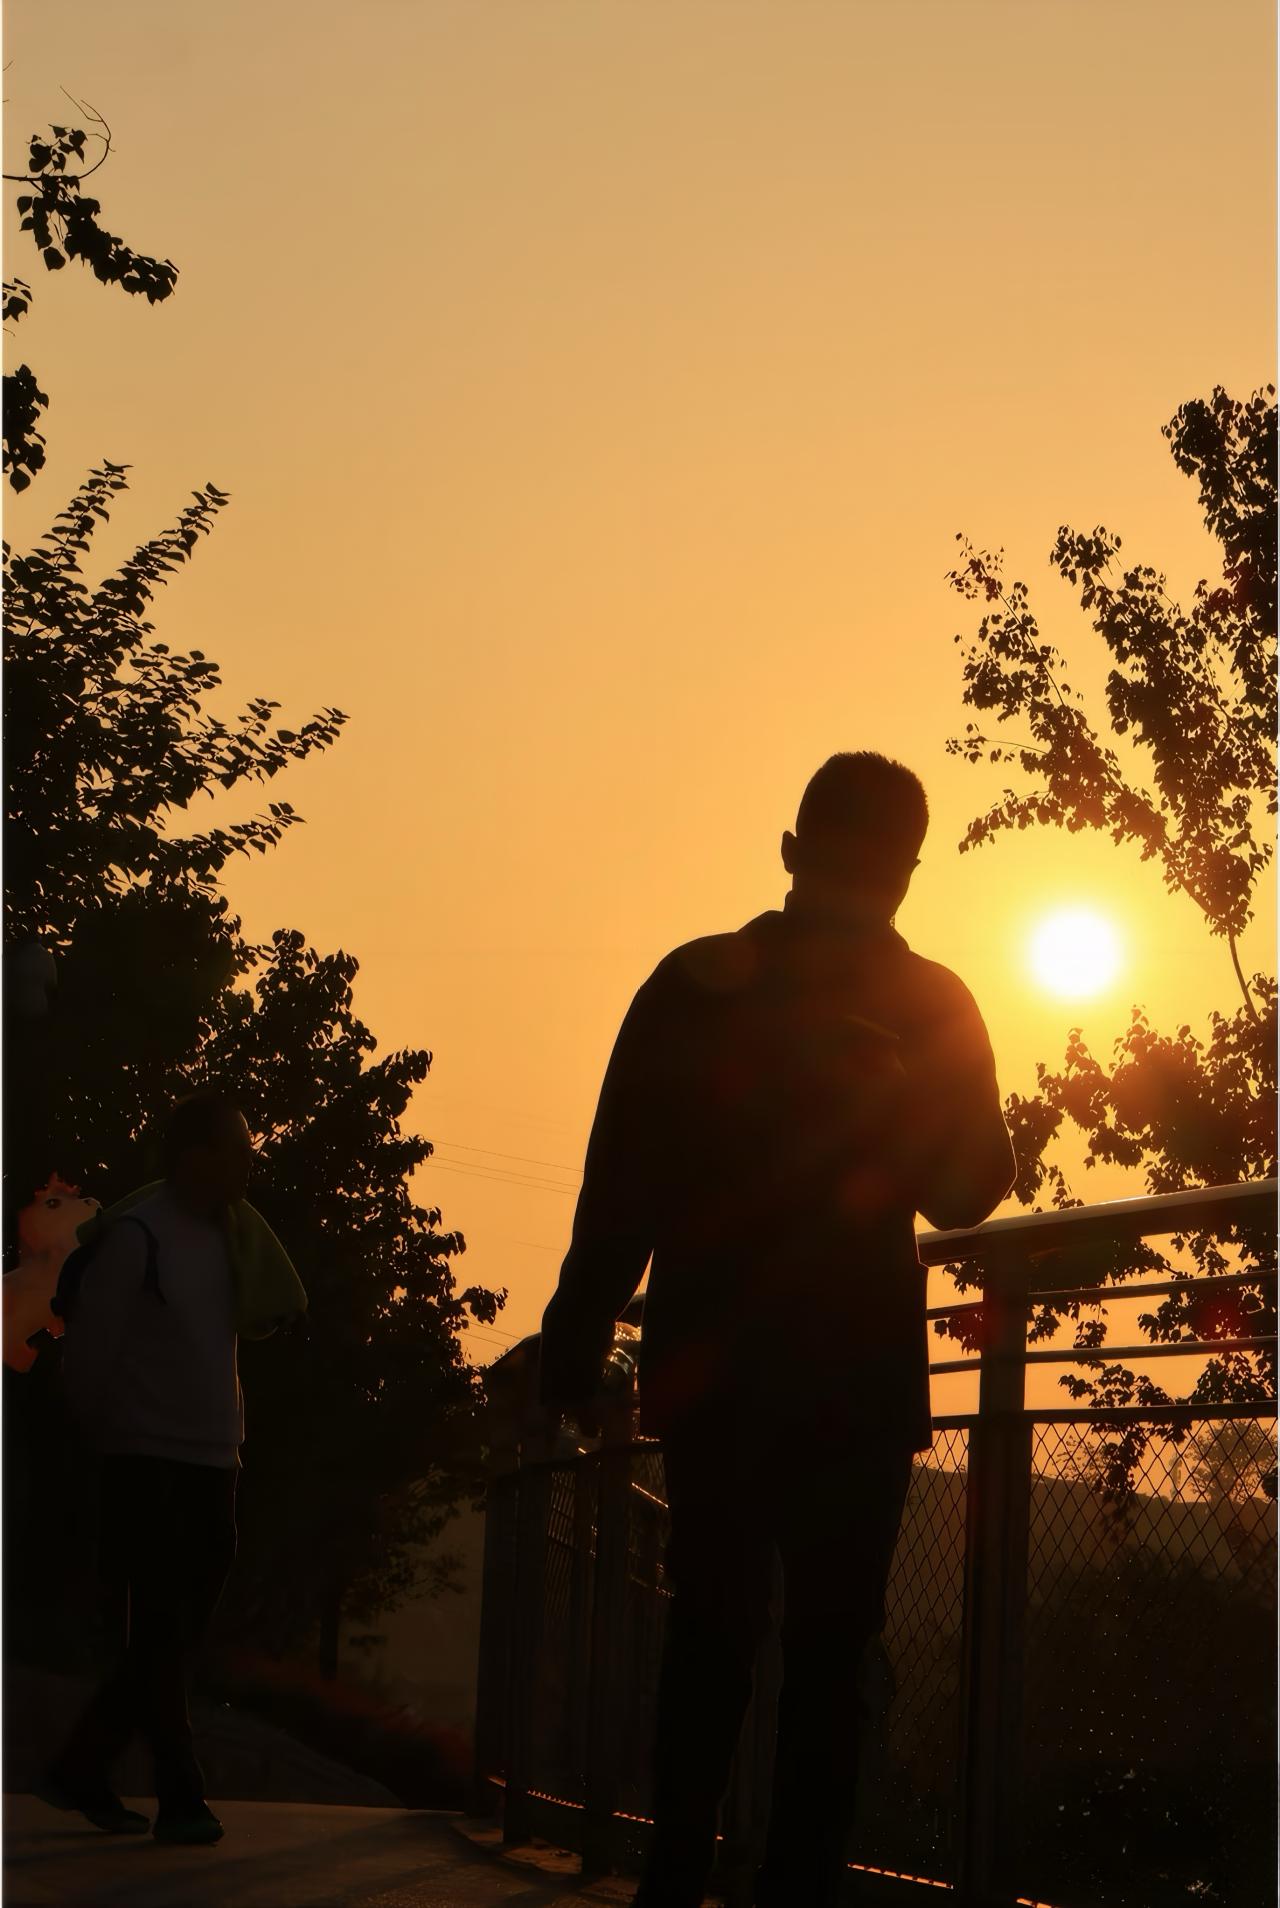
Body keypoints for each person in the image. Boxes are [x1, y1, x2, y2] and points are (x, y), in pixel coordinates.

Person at [540, 753, 1017, 1908]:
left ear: (791, 850)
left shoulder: (695, 984)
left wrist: (574, 1343)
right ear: (908, 872)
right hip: (856, 1376)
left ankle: (672, 1875)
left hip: (715, 1367)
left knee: (709, 1628)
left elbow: (619, 1188)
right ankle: (798, 1885)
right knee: (831, 1651)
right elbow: (967, 1192)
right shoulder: (933, 1003)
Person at [41, 1091, 257, 1846]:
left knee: (173, 1635)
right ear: (195, 1156)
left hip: (215, 1459)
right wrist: (103, 1439)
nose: (249, 1163)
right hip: (147, 1459)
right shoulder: (138, 1238)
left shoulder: (237, 1239)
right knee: (163, 1627)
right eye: (237, 1149)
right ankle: (181, 1795)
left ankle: (80, 1767)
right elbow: (88, 1354)